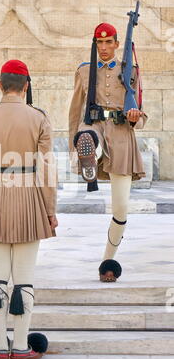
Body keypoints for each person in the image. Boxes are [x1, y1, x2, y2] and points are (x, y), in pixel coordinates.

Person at [0, 59, 58, 359]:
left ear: (1, 85)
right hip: (29, 196)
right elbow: (46, 170)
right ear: (26, 86)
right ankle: (20, 346)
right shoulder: (38, 118)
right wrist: (50, 210)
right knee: (25, 278)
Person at [69, 22, 148, 282]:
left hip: (122, 134)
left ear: (116, 44)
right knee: (88, 137)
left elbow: (143, 114)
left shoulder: (130, 71)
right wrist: (73, 143)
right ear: (95, 44)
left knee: (121, 209)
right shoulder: (84, 71)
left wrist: (136, 117)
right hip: (93, 126)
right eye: (99, 42)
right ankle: (88, 153)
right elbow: (75, 110)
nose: (103, 47)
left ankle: (108, 260)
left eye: (108, 42)